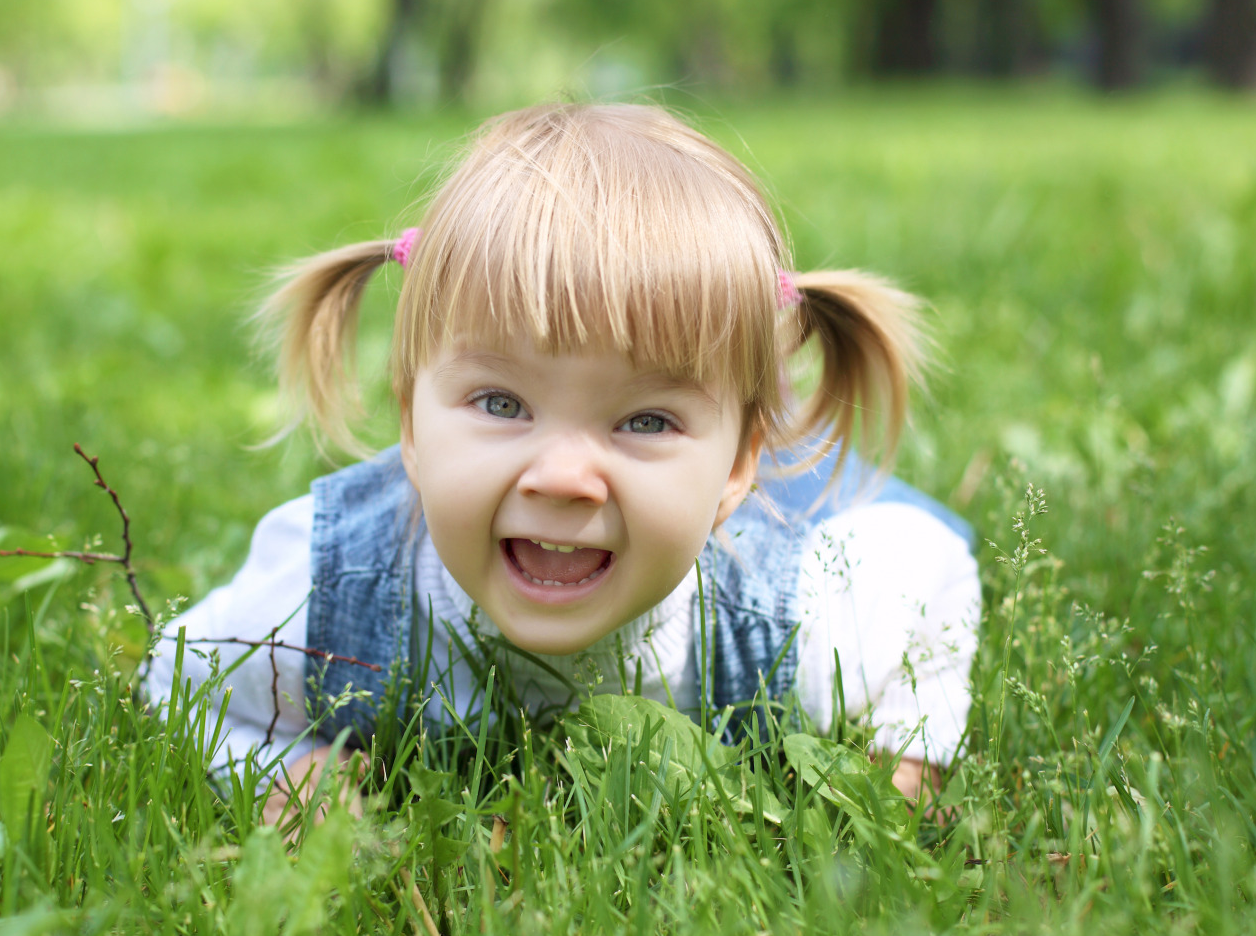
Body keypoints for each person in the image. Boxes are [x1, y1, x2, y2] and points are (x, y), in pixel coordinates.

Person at [145, 102, 979, 822]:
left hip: (786, 512)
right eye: (502, 405)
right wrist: (272, 775)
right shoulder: (328, 589)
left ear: (735, 467)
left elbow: (940, 575)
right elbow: (175, 684)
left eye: (646, 418)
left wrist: (912, 750)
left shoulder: (803, 615)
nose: (562, 476)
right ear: (411, 424)